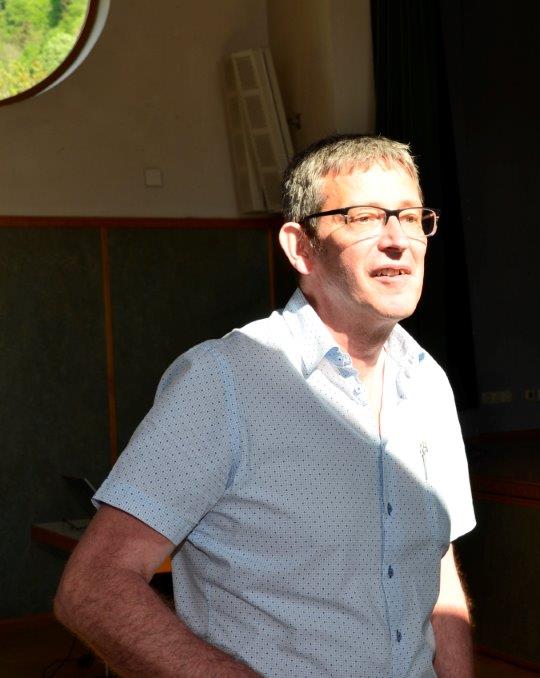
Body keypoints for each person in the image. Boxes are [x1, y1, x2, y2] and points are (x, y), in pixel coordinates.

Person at [54, 135, 475, 677]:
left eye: (412, 217)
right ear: (301, 248)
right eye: (365, 218)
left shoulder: (429, 383)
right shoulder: (223, 381)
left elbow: (436, 568)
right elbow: (92, 587)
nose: (398, 240)